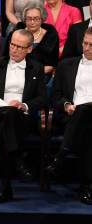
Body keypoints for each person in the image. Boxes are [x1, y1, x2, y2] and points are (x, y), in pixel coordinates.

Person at [0, 29, 47, 203]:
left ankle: (5, 187)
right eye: (12, 44)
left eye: (19, 47)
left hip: (21, 118)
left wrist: (24, 105)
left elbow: (43, 98)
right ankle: (18, 160)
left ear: (29, 49)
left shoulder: (36, 68)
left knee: (10, 119)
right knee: (6, 119)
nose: (14, 49)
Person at [46, 28, 92, 204]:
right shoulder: (66, 65)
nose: (86, 48)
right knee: (87, 130)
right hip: (72, 116)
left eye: (91, 45)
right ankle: (87, 187)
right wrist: (66, 105)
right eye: (85, 43)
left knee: (87, 112)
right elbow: (56, 96)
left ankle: (60, 158)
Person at [4, 2, 59, 79]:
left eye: (36, 19)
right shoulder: (15, 34)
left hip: (40, 75)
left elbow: (51, 66)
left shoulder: (51, 35)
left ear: (42, 18)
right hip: (16, 73)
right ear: (24, 19)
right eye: (29, 19)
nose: (32, 22)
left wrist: (31, 73)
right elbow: (6, 59)